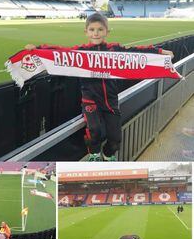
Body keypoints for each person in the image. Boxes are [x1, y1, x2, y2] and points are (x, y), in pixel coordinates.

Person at [26, 13, 174, 161]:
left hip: (110, 100)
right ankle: (94, 153)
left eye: (100, 29)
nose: (95, 33)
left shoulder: (114, 50)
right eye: (91, 30)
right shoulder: (81, 52)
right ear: (86, 32)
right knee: (95, 130)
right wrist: (37, 49)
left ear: (107, 31)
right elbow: (59, 53)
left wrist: (160, 52)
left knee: (115, 139)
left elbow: (137, 52)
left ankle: (108, 154)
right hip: (90, 100)